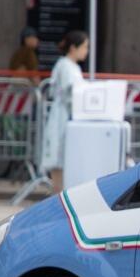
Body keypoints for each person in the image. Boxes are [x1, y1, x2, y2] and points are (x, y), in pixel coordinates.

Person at [40, 30, 89, 193]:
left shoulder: (69, 66)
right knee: (59, 158)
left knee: (62, 158)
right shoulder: (66, 66)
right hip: (63, 116)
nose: (86, 51)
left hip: (66, 115)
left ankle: (59, 195)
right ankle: (58, 196)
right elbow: (72, 92)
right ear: (73, 48)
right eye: (84, 47)